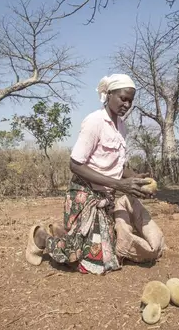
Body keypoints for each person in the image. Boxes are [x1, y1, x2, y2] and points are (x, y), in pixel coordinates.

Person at [25, 74, 166, 274]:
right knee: (83, 259)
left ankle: (64, 232)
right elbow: (75, 164)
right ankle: (40, 237)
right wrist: (120, 185)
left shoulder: (121, 127)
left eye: (131, 101)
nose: (127, 104)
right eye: (123, 98)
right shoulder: (94, 121)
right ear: (109, 95)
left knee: (112, 255)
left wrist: (136, 179)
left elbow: (118, 166)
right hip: (84, 195)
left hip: (104, 197)